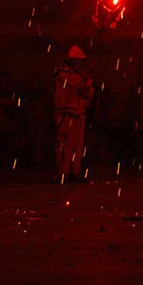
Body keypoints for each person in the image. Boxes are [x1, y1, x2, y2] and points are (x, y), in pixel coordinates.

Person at [53, 46, 95, 183]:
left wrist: (87, 92)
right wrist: (83, 78)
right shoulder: (62, 69)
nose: (79, 62)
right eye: (77, 59)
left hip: (79, 111)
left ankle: (73, 171)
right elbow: (70, 82)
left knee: (77, 145)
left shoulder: (80, 73)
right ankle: (62, 172)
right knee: (64, 143)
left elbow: (88, 89)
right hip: (65, 112)